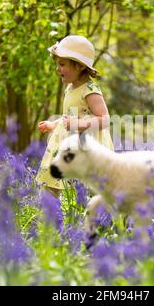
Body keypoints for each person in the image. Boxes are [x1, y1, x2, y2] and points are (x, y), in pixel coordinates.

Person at [35, 35, 114, 199]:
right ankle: (50, 216)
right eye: (57, 64)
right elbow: (68, 116)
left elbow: (105, 119)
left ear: (78, 66)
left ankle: (88, 216)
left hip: (86, 144)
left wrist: (80, 124)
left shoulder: (90, 90)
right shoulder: (70, 88)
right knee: (54, 180)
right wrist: (54, 125)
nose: (58, 69)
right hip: (66, 142)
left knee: (85, 186)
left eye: (62, 64)